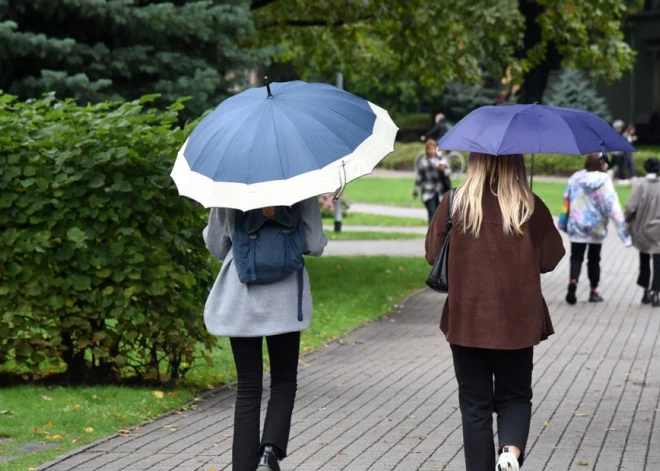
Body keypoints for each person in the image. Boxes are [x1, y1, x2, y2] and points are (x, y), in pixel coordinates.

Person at [425, 153, 565, 471]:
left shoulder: (455, 202)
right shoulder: (528, 205)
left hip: (467, 319)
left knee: (474, 406)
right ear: (517, 163)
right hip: (517, 321)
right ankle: (510, 454)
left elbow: (433, 254)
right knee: (514, 396)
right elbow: (551, 258)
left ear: (475, 160)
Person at [203, 198, 328, 471]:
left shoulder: (229, 188)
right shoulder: (300, 186)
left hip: (242, 298)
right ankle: (269, 452)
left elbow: (216, 246)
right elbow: (316, 243)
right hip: (285, 299)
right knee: (284, 380)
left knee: (248, 387)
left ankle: (244, 467)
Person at [562, 153, 630, 305]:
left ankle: (573, 281)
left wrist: (564, 222)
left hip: (577, 225)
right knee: (594, 259)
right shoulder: (604, 180)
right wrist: (623, 230)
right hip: (596, 227)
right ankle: (594, 291)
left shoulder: (576, 177)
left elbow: (566, 198)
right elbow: (612, 205)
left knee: (576, 257)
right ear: (600, 164)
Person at [625, 156, 660, 306]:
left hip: (642, 229)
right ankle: (656, 293)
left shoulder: (640, 185)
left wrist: (627, 220)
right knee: (658, 261)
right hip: (659, 231)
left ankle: (645, 291)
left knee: (644, 260)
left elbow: (631, 207)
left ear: (645, 169)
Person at [413, 139, 451, 223]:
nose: (431, 151)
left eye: (433, 148)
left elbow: (448, 173)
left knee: (439, 215)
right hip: (428, 191)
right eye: (429, 149)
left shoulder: (442, 161)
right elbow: (419, 177)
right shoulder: (423, 162)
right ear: (427, 150)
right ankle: (431, 234)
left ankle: (436, 234)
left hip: (440, 192)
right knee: (432, 213)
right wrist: (415, 191)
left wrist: (443, 170)